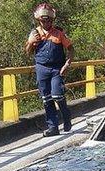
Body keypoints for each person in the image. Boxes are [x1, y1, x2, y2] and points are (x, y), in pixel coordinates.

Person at [25, 3, 74, 137]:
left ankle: (66, 116)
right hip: (41, 68)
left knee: (57, 95)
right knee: (46, 99)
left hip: (56, 69)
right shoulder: (35, 33)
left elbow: (70, 49)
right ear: (39, 20)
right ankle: (53, 127)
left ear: (52, 20)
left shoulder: (59, 33)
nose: (46, 22)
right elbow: (28, 52)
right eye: (43, 20)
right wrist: (30, 42)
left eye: (48, 20)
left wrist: (67, 64)